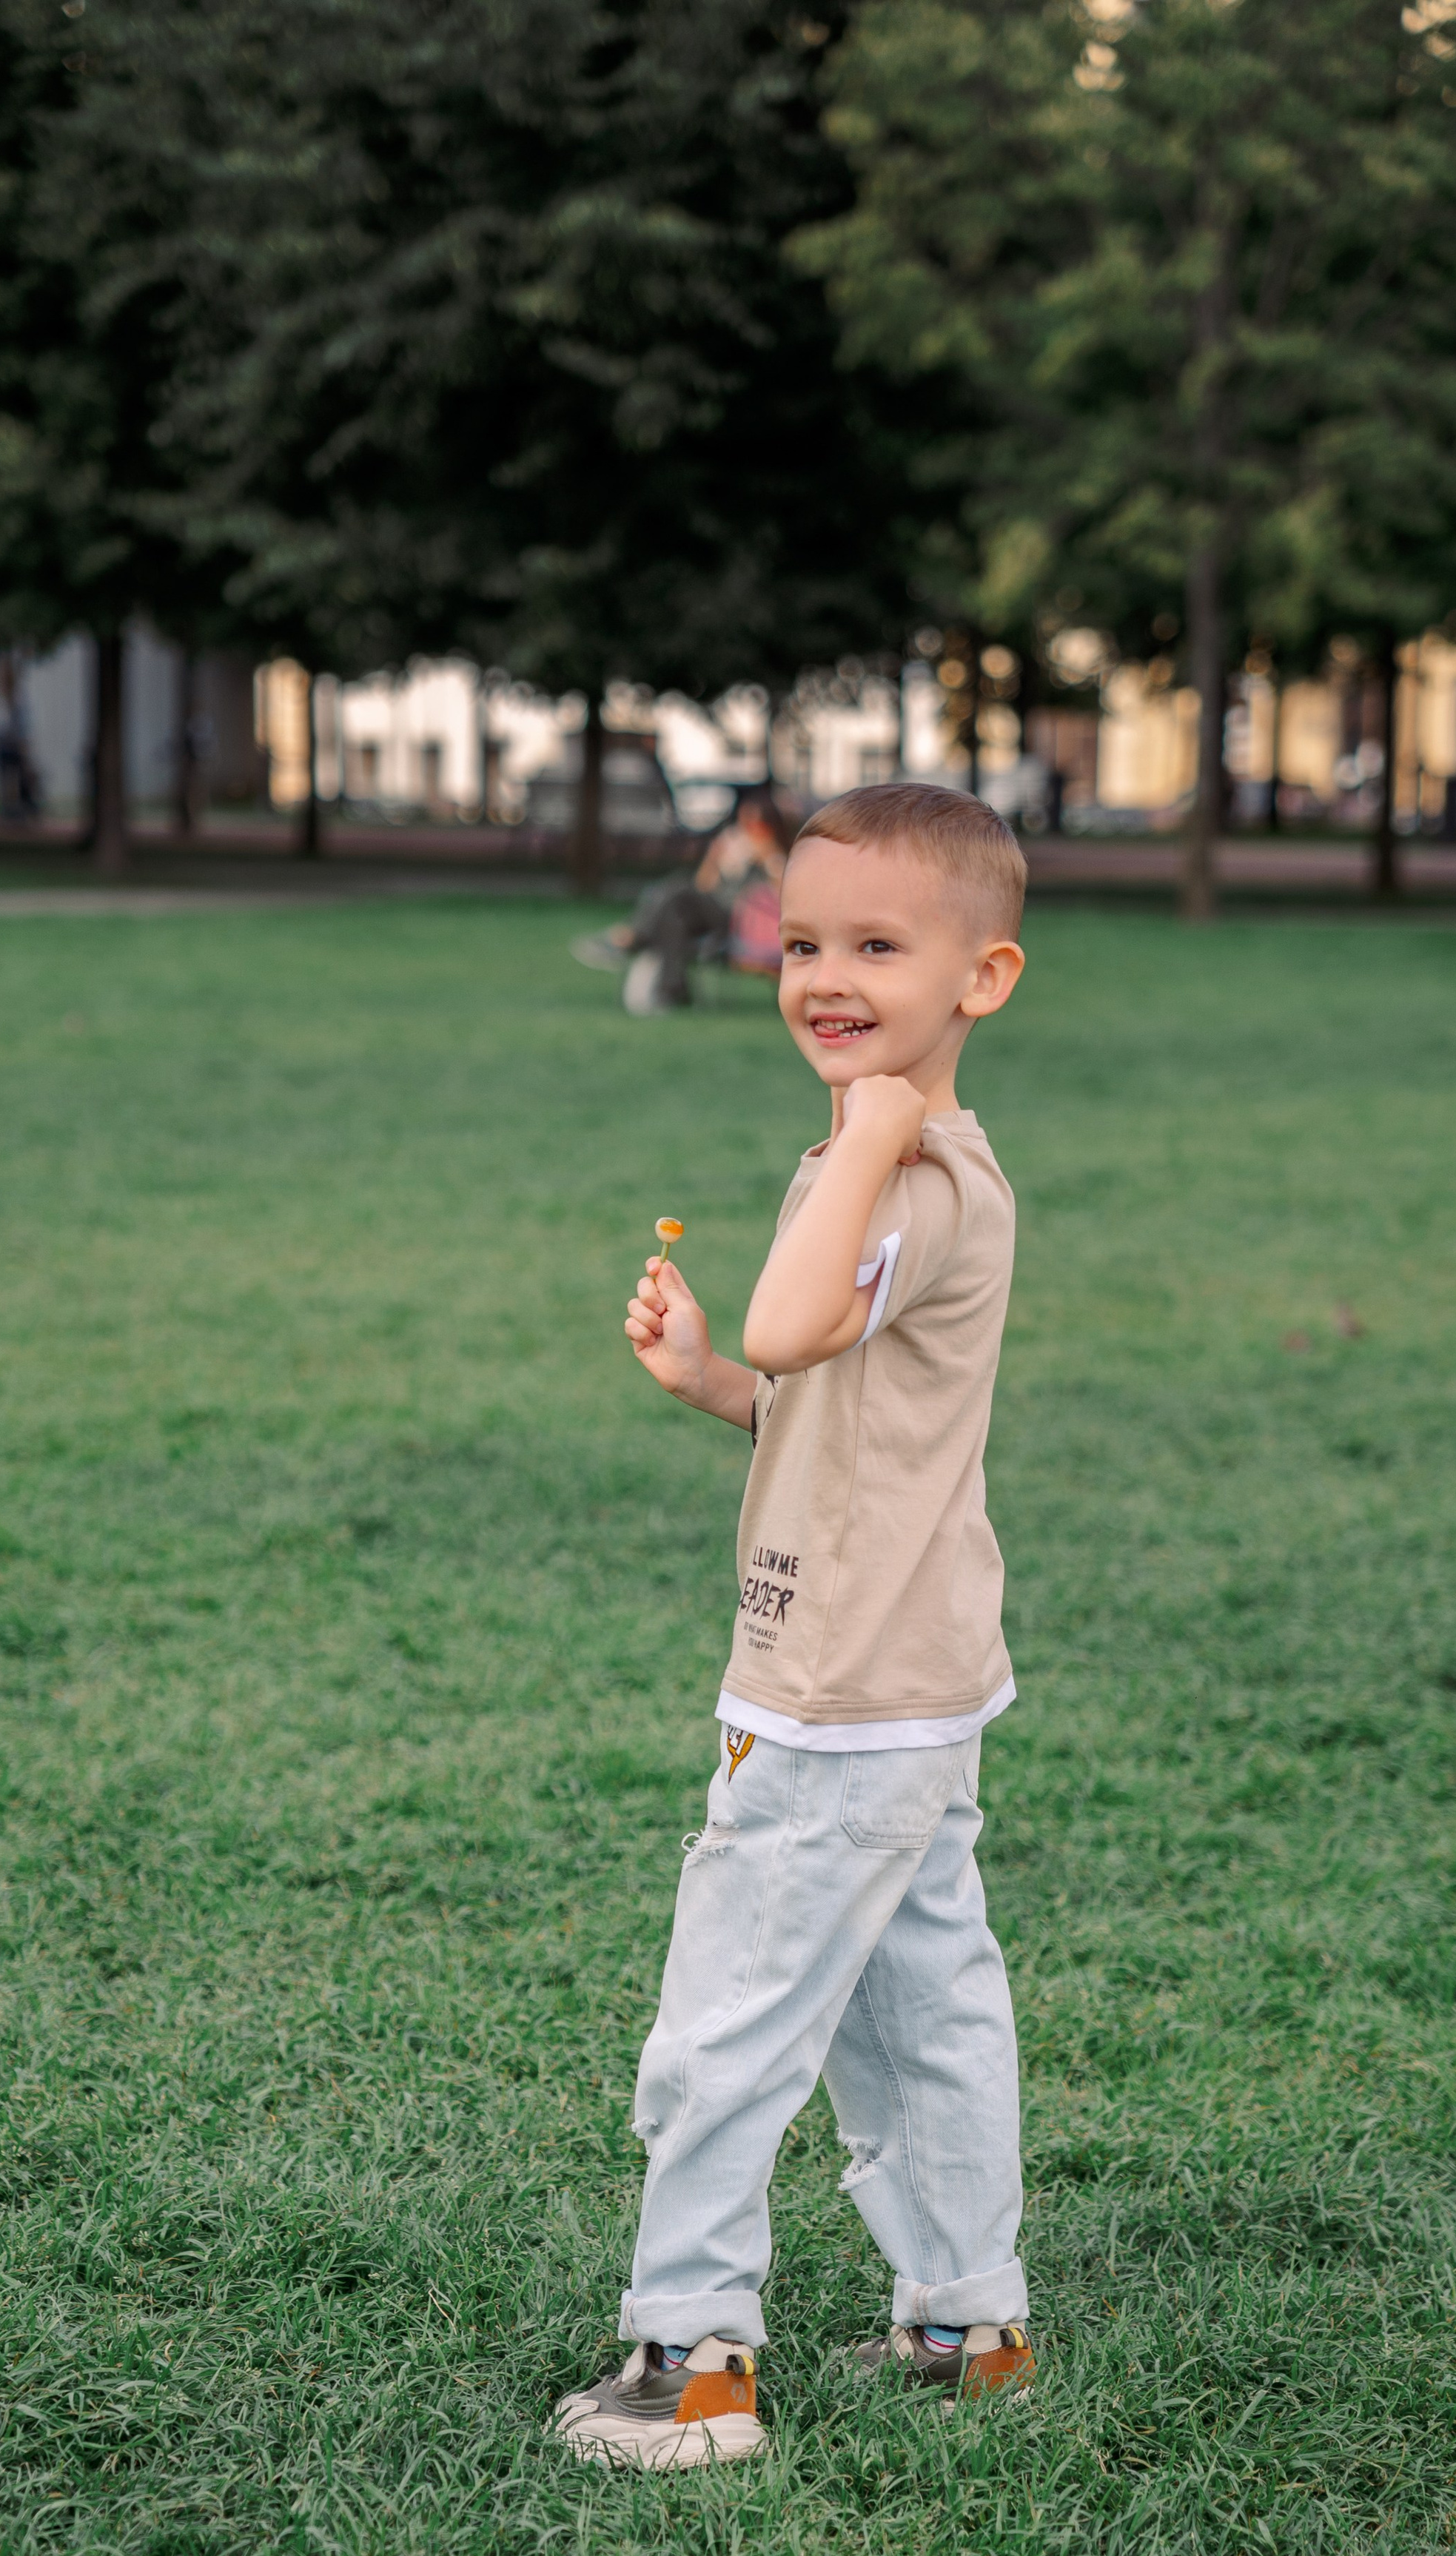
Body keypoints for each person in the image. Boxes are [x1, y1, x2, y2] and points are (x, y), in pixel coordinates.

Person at [552, 782, 1034, 2469]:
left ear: (979, 977)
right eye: (804, 939)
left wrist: (871, 1125)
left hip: (834, 1697)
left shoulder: (899, 1172)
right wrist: (708, 1382)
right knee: (924, 2009)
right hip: (910, 1681)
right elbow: (821, 1401)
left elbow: (787, 1302)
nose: (822, 973)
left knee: (724, 2028)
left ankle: (689, 2362)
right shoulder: (890, 1168)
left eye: (875, 946)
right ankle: (964, 2313)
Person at [571, 790, 791, 1013]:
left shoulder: (778, 855)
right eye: (744, 821)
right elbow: (703, 886)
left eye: (755, 822)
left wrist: (766, 855)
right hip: (706, 913)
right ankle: (674, 989)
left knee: (677, 888)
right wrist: (716, 858)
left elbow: (783, 894)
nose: (748, 828)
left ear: (770, 825)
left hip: (736, 921)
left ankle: (632, 937)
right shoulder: (733, 848)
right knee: (674, 918)